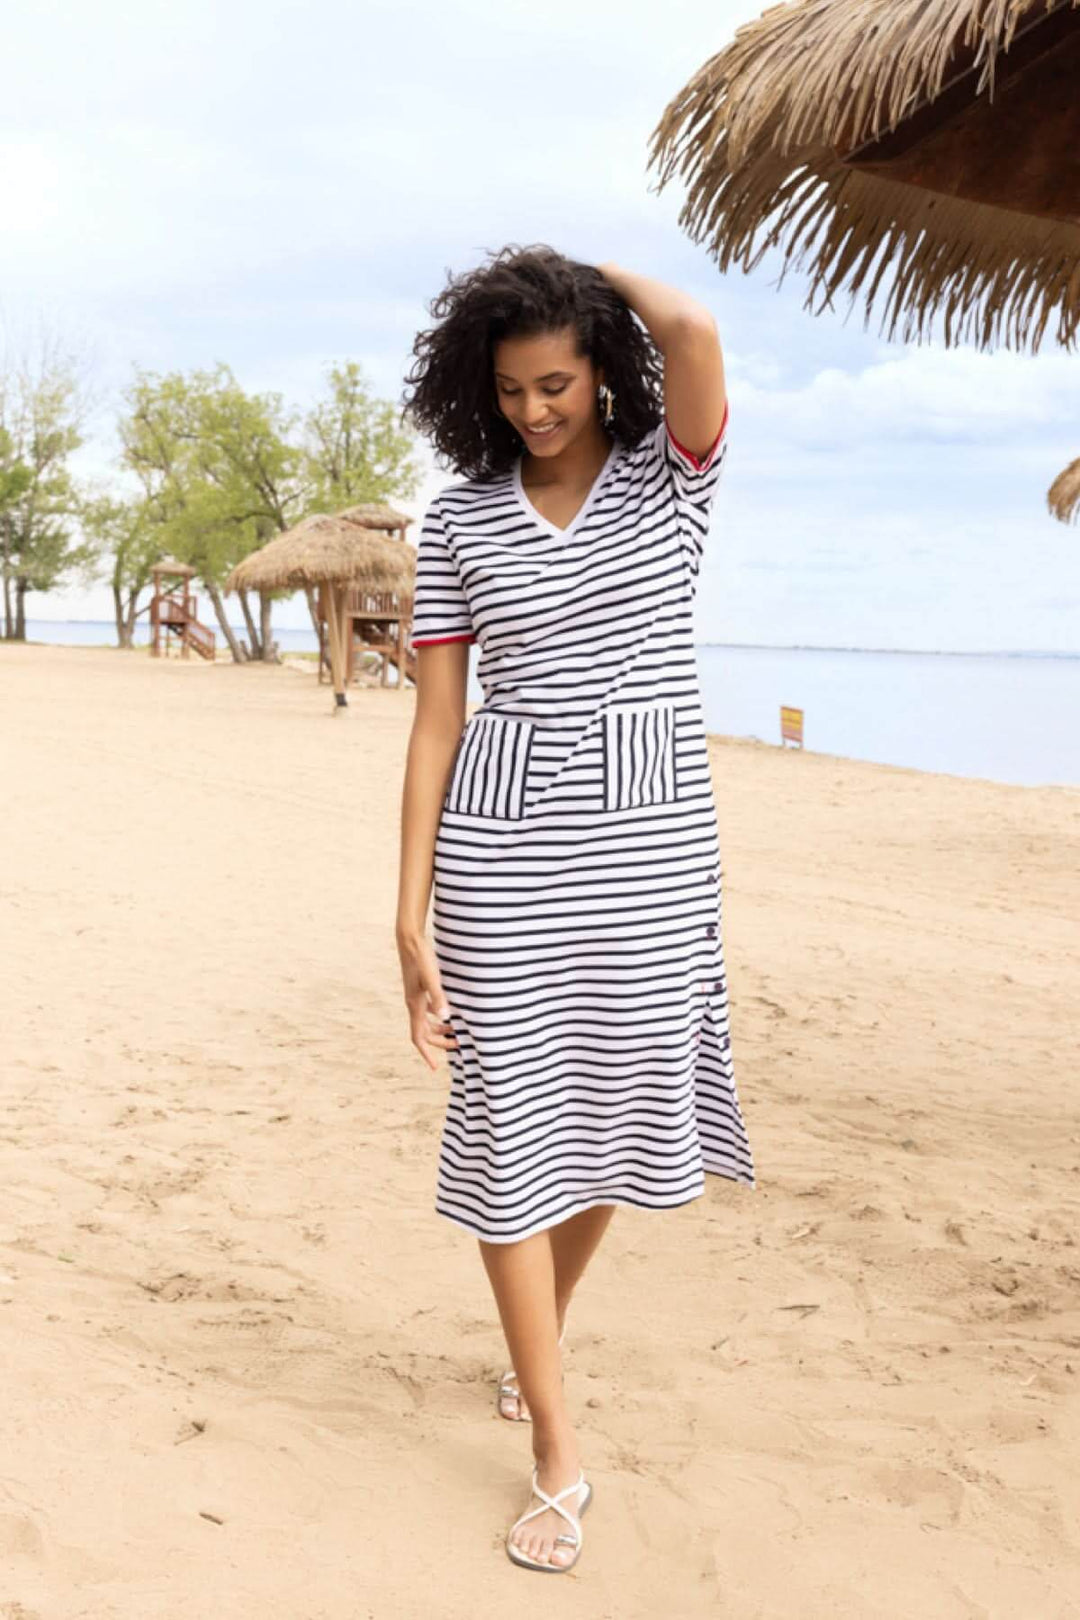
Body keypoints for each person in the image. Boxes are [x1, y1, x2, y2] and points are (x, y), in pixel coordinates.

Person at [396, 245, 755, 1575]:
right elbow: (437, 723)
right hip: (504, 839)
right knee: (508, 1119)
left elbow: (698, 324)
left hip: (655, 842)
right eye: (508, 388)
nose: (534, 409)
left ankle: (530, 1338)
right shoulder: (461, 520)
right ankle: (555, 1444)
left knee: (622, 1099)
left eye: (554, 380)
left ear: (603, 367)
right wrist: (408, 908)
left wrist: (575, 271)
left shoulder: (674, 479)